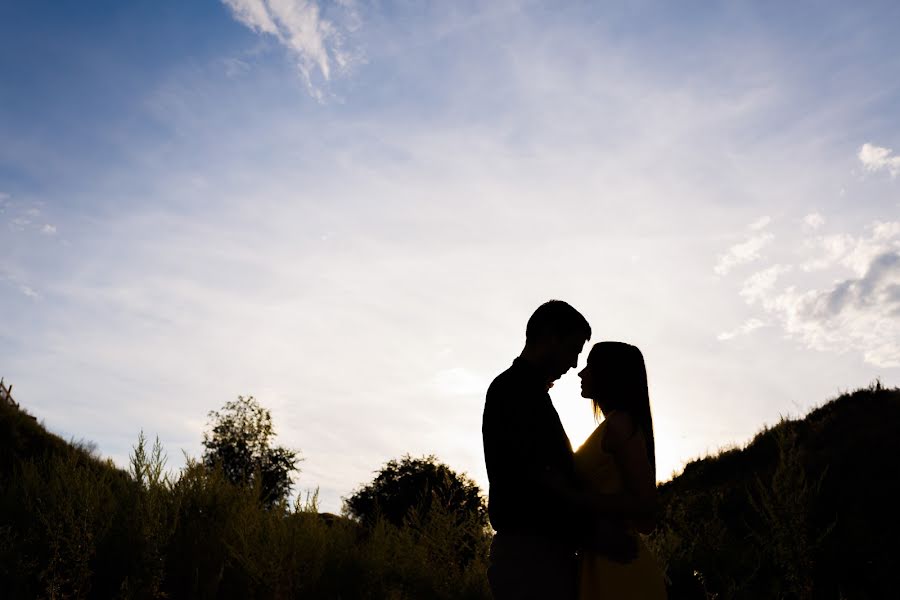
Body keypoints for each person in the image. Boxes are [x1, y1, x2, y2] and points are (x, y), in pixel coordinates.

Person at [482, 300, 635, 600]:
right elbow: (537, 480)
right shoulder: (514, 392)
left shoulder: (526, 393)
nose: (575, 363)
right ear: (550, 337)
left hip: (541, 554)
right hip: (530, 557)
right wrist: (595, 536)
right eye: (573, 349)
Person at [575, 341, 667, 599]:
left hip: (619, 571)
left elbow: (646, 507)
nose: (581, 373)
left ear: (609, 373)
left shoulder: (620, 425)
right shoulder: (614, 426)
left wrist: (577, 500)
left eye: (590, 367)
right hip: (602, 561)